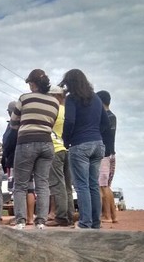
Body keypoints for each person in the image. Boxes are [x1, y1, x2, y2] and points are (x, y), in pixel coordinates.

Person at [59, 69, 109, 229]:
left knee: (81, 185)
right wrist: (95, 134)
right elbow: (106, 123)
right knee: (93, 184)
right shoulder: (96, 98)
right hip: (98, 144)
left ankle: (85, 222)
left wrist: (66, 141)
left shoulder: (72, 98)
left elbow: (70, 121)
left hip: (80, 145)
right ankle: (95, 222)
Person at [10, 69, 59, 230]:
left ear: (34, 84)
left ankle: (20, 221)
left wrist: (24, 127)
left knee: (21, 184)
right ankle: (41, 222)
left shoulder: (25, 98)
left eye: (30, 83)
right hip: (46, 143)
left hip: (26, 142)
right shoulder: (54, 103)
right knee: (42, 184)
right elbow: (50, 124)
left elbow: (13, 122)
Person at [46, 85, 75, 227]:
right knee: (67, 186)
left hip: (55, 149)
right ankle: (69, 215)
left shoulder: (53, 110)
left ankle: (61, 217)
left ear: (55, 96)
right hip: (67, 149)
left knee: (58, 185)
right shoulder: (68, 111)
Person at [96, 90, 118, 224]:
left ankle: (107, 216)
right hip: (111, 153)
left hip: (103, 155)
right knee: (107, 186)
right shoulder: (112, 116)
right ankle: (113, 216)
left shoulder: (103, 117)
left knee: (101, 186)